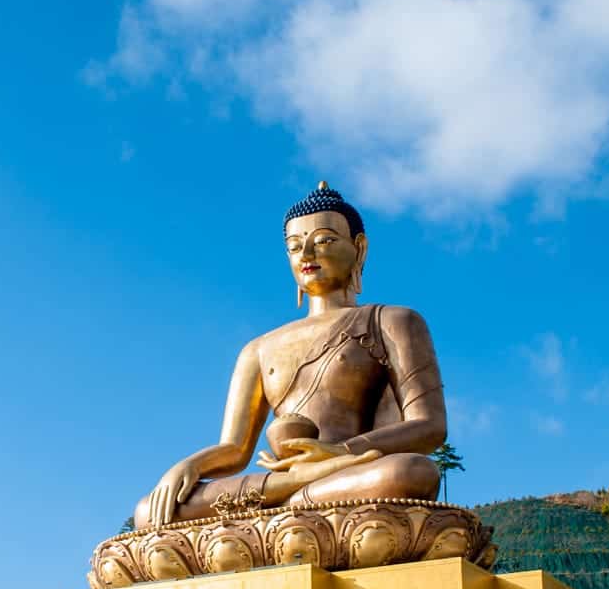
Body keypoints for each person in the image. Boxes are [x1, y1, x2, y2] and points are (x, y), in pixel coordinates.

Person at [137, 182, 448, 528]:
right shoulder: (258, 348)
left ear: (359, 249)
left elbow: (430, 425)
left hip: (351, 472)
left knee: (411, 473)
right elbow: (236, 449)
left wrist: (342, 453)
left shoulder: (392, 321)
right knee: (150, 511)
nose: (307, 255)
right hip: (294, 482)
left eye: (324, 240)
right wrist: (190, 466)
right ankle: (291, 498)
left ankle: (281, 510)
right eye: (295, 246)